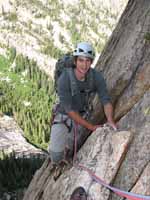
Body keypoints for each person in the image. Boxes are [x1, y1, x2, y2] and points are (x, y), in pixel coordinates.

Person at [48, 41, 117, 165]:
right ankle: (59, 156)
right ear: (75, 61)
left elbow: (106, 100)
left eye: (88, 61)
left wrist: (110, 119)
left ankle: (68, 149)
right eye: (81, 60)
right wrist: (90, 127)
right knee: (56, 156)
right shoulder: (64, 78)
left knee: (73, 145)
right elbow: (69, 111)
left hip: (82, 112)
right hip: (64, 113)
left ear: (91, 62)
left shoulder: (96, 77)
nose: (84, 65)